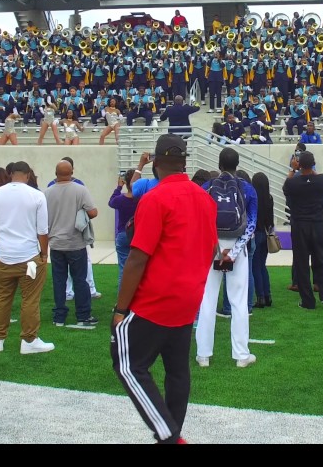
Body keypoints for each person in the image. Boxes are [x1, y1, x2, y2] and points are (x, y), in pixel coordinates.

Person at [111, 133, 217, 444]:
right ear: (184, 163)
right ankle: (171, 434)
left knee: (127, 363)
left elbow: (137, 257)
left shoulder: (155, 199)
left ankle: (169, 435)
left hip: (155, 301)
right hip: (188, 299)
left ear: (156, 164)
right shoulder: (204, 198)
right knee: (177, 370)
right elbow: (210, 250)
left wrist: (120, 309)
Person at [196, 147, 258, 368]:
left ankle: (203, 355)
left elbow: (200, 222)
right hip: (237, 248)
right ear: (237, 164)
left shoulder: (206, 187)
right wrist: (232, 252)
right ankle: (241, 355)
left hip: (211, 247)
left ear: (220, 164)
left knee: (207, 300)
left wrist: (215, 248)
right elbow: (251, 225)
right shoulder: (247, 188)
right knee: (239, 301)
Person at [0, 161, 53, 354]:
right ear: (29, 174)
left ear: (10, 174)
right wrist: (44, 254)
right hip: (29, 256)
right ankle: (29, 340)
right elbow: (42, 230)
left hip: (4, 256)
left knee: (2, 298)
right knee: (30, 299)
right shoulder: (37, 195)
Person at [46, 160, 100, 329]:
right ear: (72, 172)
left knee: (59, 280)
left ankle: (59, 316)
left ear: (56, 173)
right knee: (80, 280)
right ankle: (83, 315)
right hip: (75, 242)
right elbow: (93, 212)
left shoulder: (47, 192)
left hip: (55, 243)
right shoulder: (80, 190)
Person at [283, 150, 323, 309]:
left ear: (298, 164)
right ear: (313, 164)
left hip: (300, 225)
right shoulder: (321, 179)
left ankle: (308, 301)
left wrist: (293, 170)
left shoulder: (293, 183)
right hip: (318, 224)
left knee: (301, 263)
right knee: (321, 259)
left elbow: (286, 187)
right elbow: (316, 176)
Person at [250, 172, 275, 309]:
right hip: (266, 233)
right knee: (262, 266)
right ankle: (267, 295)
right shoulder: (269, 198)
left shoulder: (253, 197)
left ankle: (260, 297)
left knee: (256, 267)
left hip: (255, 233)